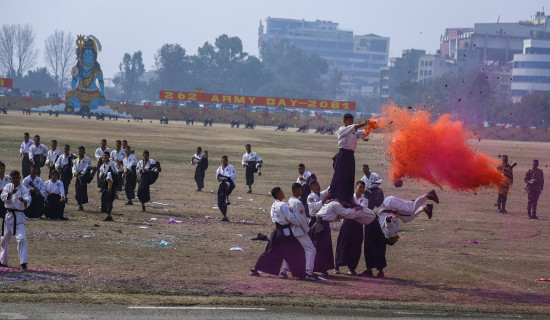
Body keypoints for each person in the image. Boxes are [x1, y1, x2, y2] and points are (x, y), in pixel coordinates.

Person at [249, 187, 306, 280]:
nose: (283, 193)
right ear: (278, 194)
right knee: (293, 252)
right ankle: (299, 274)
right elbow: (290, 218)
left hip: (277, 231)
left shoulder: (273, 205)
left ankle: (255, 269)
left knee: (270, 251)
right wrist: (300, 224)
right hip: (285, 232)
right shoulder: (283, 205)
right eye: (282, 192)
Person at [280, 183, 318, 281]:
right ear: (296, 190)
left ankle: (284, 271)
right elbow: (301, 219)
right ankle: (309, 272)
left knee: (292, 250)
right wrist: (308, 229)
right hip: (299, 230)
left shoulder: (290, 200)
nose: (302, 191)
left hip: (292, 229)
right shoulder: (298, 203)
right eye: (300, 189)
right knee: (311, 249)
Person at [329, 113, 368, 203]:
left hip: (350, 156)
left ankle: (348, 199)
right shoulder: (342, 130)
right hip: (342, 155)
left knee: (350, 177)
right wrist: (364, 124)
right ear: (344, 121)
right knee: (338, 176)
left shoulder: (354, 131)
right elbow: (353, 128)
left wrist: (371, 127)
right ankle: (332, 196)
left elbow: (362, 133)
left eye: (352, 121)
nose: (351, 122)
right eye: (349, 121)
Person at [0, 170, 31, 270]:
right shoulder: (7, 187)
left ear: (20, 178)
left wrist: (24, 200)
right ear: (11, 179)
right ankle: (3, 261)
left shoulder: (24, 189)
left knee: (22, 239)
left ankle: (23, 263)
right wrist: (10, 193)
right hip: (8, 216)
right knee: (4, 240)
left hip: (19, 216)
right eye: (14, 178)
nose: (16, 180)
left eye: (18, 178)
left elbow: (28, 198)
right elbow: (2, 197)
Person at [335, 181, 367, 275]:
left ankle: (352, 267)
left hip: (358, 224)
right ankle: (337, 266)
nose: (361, 189)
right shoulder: (349, 197)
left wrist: (351, 209)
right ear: (355, 187)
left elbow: (361, 211)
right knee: (343, 243)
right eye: (360, 187)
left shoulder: (365, 200)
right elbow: (344, 209)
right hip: (347, 223)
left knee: (356, 246)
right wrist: (355, 209)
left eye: (363, 188)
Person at [307, 177, 333, 277]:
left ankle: (324, 268)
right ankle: (312, 268)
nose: (317, 186)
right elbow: (315, 207)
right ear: (311, 188)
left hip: (324, 221)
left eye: (317, 183)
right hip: (315, 222)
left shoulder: (321, 194)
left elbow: (330, 188)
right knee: (316, 245)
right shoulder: (310, 197)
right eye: (314, 185)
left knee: (325, 245)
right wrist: (325, 198)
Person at [72, 146, 93, 211]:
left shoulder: (87, 159)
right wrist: (75, 173)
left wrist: (83, 174)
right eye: (79, 151)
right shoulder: (76, 160)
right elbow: (74, 167)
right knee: (77, 190)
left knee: (83, 190)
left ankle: (81, 203)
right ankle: (79, 204)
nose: (80, 153)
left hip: (84, 176)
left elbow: (87, 167)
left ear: (84, 152)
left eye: (81, 151)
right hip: (78, 176)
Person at [216, 156, 236, 221]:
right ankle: (225, 216)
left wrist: (224, 176)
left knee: (226, 183)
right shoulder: (219, 169)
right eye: (224, 160)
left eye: (226, 160)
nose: (225, 161)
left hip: (229, 183)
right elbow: (218, 179)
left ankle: (227, 198)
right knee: (220, 200)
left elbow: (233, 176)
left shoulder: (230, 167)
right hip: (222, 184)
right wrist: (219, 177)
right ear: (221, 160)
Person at [99, 152, 118, 221]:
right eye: (104, 156)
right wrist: (102, 176)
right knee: (104, 198)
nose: (105, 157)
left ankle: (109, 215)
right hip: (105, 184)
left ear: (109, 156)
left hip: (111, 184)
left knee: (110, 200)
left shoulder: (113, 164)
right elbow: (100, 176)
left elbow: (116, 172)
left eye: (106, 155)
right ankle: (108, 215)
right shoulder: (102, 166)